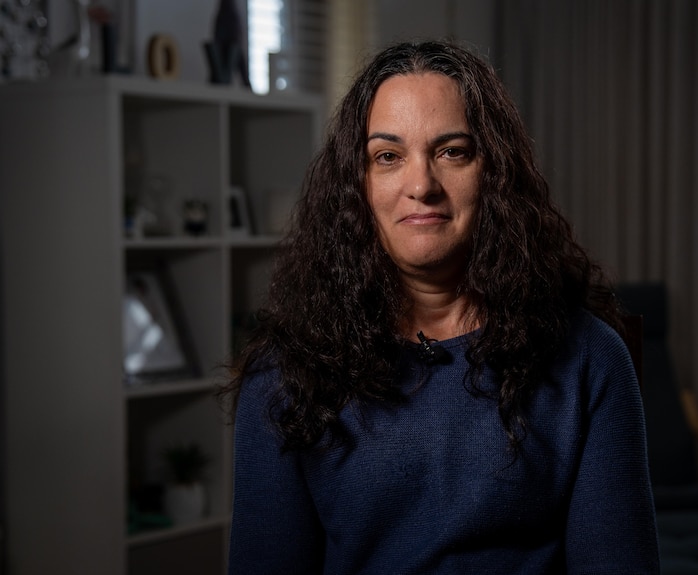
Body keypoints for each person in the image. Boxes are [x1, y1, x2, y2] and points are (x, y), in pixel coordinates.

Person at [222, 40, 660, 574]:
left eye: (452, 151)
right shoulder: (283, 374)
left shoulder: (590, 358)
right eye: (388, 157)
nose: (421, 185)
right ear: (357, 186)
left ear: (494, 173)